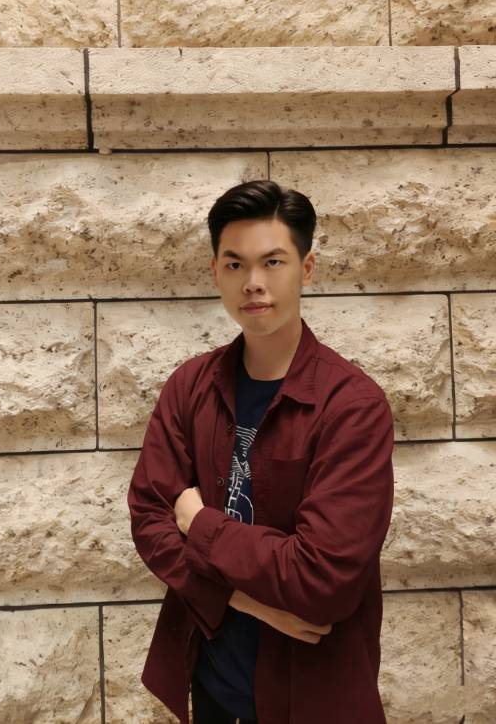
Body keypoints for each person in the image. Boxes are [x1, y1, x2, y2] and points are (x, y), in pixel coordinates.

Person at [127, 180, 395, 724]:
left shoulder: (352, 406)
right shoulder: (190, 387)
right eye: (235, 264)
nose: (253, 282)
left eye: (273, 262)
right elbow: (149, 520)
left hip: (313, 696)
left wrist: (199, 523)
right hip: (211, 684)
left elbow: (320, 580)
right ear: (215, 272)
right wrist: (245, 601)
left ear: (307, 268)